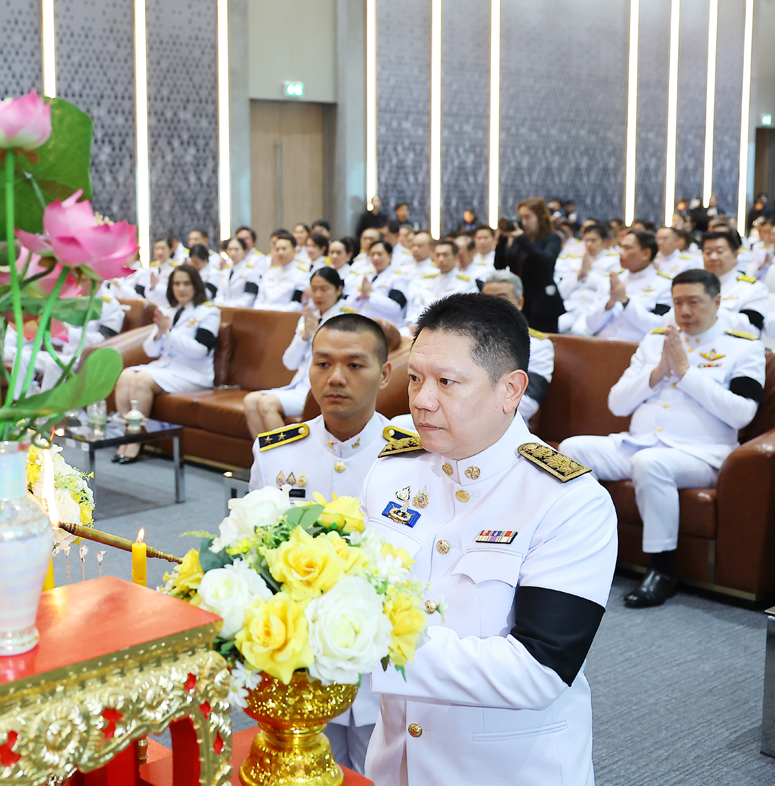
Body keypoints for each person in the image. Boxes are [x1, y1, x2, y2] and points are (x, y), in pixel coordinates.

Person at [358, 292, 616, 785]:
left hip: (507, 769)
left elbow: (539, 669)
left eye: (447, 382)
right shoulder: (392, 471)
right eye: (415, 378)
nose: (421, 400)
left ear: (511, 390)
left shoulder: (568, 500)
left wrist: (364, 643)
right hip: (397, 760)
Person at [559, 269, 765, 608]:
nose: (684, 311)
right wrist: (658, 373)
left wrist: (685, 373)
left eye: (694, 302)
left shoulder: (743, 349)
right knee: (571, 449)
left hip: (702, 454)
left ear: (717, 301)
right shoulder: (655, 341)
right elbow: (617, 402)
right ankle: (585, 548)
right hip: (639, 442)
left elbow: (742, 413)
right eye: (678, 302)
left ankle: (662, 569)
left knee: (650, 464)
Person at [248, 313, 393, 771]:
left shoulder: (414, 454)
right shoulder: (277, 452)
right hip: (303, 664)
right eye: (323, 363)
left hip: (380, 663)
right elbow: (257, 551)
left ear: (385, 373)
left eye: (355, 365)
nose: (335, 378)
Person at [112, 265, 220, 463]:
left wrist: (169, 332)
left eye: (186, 283)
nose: (181, 289)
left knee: (142, 380)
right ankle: (128, 432)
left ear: (196, 286)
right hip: (167, 368)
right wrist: (160, 333)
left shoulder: (209, 312)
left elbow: (201, 350)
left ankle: (136, 439)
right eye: (177, 283)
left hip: (193, 373)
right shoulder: (169, 310)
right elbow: (150, 351)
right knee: (126, 375)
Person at [243, 267, 351, 436]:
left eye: (324, 289)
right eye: (314, 289)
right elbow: (289, 362)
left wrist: (315, 335)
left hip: (321, 389)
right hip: (298, 386)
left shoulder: (347, 320)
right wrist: (303, 338)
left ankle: (287, 461)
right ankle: (264, 461)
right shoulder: (308, 317)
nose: (318, 295)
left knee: (267, 404)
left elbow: (335, 359)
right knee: (250, 401)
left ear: (339, 290)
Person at [482, 271, 553, 423]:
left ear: (519, 303)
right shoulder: (467, 339)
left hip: (505, 425)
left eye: (502, 299)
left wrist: (474, 405)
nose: (494, 307)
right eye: (487, 300)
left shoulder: (538, 346)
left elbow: (529, 403)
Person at [581, 229, 672, 341]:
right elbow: (590, 325)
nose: (620, 252)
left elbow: (659, 327)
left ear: (646, 254)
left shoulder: (665, 284)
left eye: (627, 248)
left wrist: (626, 302)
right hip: (603, 345)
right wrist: (610, 303)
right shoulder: (610, 280)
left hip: (637, 348)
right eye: (620, 247)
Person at [497, 197, 565, 332]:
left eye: (527, 217)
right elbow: (499, 266)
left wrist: (522, 239)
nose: (523, 222)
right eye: (520, 217)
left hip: (542, 302)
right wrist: (502, 239)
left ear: (540, 217)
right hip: (518, 300)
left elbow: (546, 261)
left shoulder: (552, 238)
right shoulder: (519, 240)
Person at [698, 230, 771, 336]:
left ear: (735, 255)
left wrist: (706, 310)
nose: (713, 257)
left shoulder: (752, 288)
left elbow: (752, 329)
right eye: (708, 252)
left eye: (719, 252)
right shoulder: (693, 286)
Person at [404, 239, 475, 331]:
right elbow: (414, 306)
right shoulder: (426, 280)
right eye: (438, 255)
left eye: (445, 255)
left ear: (456, 257)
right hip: (419, 329)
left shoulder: (466, 283)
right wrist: (411, 323)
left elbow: (468, 314)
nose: (441, 259)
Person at [344, 240, 408, 324]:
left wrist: (369, 295)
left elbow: (396, 307)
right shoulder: (366, 277)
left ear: (390, 256)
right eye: (372, 254)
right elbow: (348, 303)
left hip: (386, 326)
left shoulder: (398, 278)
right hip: (364, 324)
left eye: (379, 254)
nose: (375, 258)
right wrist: (361, 296)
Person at [254, 231, 310, 311]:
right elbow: (259, 300)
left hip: (286, 317)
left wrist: (273, 311)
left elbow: (297, 304)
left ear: (294, 250)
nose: (280, 253)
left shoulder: (302, 274)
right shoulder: (269, 272)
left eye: (284, 249)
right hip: (264, 316)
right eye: (277, 249)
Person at [217, 237, 266, 307]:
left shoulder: (251, 271)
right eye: (230, 249)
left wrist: (229, 306)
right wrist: (220, 303)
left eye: (236, 249)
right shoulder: (225, 271)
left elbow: (249, 297)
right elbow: (220, 293)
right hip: (224, 309)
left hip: (241, 310)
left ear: (244, 251)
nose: (233, 253)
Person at [131, 236, 177, 307]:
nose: (159, 252)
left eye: (163, 248)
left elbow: (172, 292)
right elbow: (147, 292)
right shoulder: (152, 268)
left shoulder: (175, 269)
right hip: (153, 307)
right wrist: (152, 288)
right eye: (157, 248)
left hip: (168, 307)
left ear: (170, 250)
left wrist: (156, 286)